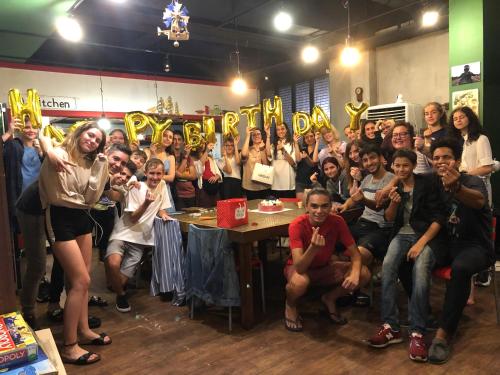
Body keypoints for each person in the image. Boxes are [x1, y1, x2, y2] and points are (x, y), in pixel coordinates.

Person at [38, 122, 111, 365]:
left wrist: (101, 165)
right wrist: (49, 148)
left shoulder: (91, 162)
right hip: (59, 218)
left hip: (82, 218)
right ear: (80, 132)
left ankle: (84, 330)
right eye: (90, 134)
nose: (93, 140)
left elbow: (91, 197)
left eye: (98, 139)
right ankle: (69, 347)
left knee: (81, 280)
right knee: (81, 280)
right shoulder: (58, 150)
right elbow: (43, 137)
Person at [366, 149, 446, 363]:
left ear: (413, 166)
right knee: (388, 267)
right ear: (392, 166)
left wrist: (420, 243)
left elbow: (440, 218)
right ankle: (391, 326)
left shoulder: (428, 183)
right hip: (401, 235)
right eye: (397, 165)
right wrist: (393, 201)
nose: (401, 169)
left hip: (426, 237)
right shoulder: (395, 186)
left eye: (405, 165)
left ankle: (418, 332)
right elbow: (391, 218)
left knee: (421, 271)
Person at [427, 138, 495, 364]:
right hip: (449, 243)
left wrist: (457, 187)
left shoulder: (472, 180)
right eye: (436, 158)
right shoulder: (434, 184)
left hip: (476, 246)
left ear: (456, 160)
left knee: (461, 268)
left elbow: (477, 201)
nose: (441, 162)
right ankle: (424, 316)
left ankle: (443, 335)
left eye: (446, 157)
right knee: (412, 258)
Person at [284, 188, 371, 331]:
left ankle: (330, 298)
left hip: (324, 268)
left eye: (324, 206)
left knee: (364, 273)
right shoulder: (297, 225)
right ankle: (290, 305)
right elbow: (299, 268)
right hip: (299, 270)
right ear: (306, 207)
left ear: (331, 206)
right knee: (300, 282)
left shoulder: (337, 221)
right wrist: (313, 248)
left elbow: (355, 254)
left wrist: (354, 272)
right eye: (314, 206)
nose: (319, 211)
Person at [105, 158, 171, 312]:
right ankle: (121, 294)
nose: (155, 177)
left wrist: (164, 215)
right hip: (122, 233)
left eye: (159, 174)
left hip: (140, 240)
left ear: (163, 174)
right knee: (113, 263)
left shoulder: (162, 186)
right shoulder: (137, 187)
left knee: (120, 278)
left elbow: (161, 207)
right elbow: (133, 218)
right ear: (146, 173)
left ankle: (118, 291)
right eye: (152, 173)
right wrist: (146, 203)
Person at [3, 117, 43, 328]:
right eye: (26, 126)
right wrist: (9, 132)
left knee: (43, 262)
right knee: (36, 262)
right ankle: (28, 309)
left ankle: (51, 299)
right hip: (25, 206)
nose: (30, 130)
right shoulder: (13, 146)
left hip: (47, 205)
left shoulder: (42, 147)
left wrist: (43, 151)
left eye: (33, 126)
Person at [338, 144, 394, 267]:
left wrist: (363, 200)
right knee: (332, 241)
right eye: (365, 160)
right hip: (363, 224)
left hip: (381, 228)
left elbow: (379, 206)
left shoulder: (391, 180)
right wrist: (345, 206)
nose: (369, 163)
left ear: (380, 158)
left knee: (361, 255)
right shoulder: (367, 178)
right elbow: (355, 197)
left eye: (372, 158)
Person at [267, 122, 299, 198]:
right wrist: (268, 135)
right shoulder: (273, 145)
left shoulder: (292, 143)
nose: (280, 131)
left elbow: (293, 162)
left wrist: (282, 149)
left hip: (288, 180)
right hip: (276, 180)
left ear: (287, 130)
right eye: (278, 130)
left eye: (282, 129)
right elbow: (268, 156)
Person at [241, 127, 271, 200]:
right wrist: (248, 135)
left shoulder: (266, 148)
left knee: (265, 208)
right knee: (252, 209)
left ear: (261, 136)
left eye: (258, 134)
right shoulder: (248, 149)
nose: (256, 136)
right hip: (250, 186)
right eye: (253, 135)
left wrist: (262, 149)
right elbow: (244, 154)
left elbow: (266, 164)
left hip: (264, 185)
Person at [172, 131, 197, 209]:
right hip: (178, 195)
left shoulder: (189, 158)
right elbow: (176, 174)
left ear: (183, 142)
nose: (177, 142)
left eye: (179, 139)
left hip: (191, 194)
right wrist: (185, 157)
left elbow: (193, 176)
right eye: (174, 139)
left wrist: (180, 175)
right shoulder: (170, 157)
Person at [195, 142, 222, 207]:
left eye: (203, 143)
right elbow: (199, 170)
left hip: (215, 188)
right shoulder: (194, 159)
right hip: (204, 189)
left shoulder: (210, 158)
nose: (201, 145)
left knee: (217, 210)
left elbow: (218, 173)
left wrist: (216, 177)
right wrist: (206, 151)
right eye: (199, 143)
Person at [295, 130, 320, 201]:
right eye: (306, 137)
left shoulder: (320, 151)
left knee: (313, 204)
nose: (309, 139)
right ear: (304, 140)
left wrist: (306, 157)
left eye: (311, 136)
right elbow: (298, 159)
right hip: (301, 181)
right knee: (301, 205)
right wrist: (296, 143)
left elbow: (314, 163)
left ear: (315, 137)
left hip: (313, 182)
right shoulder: (302, 150)